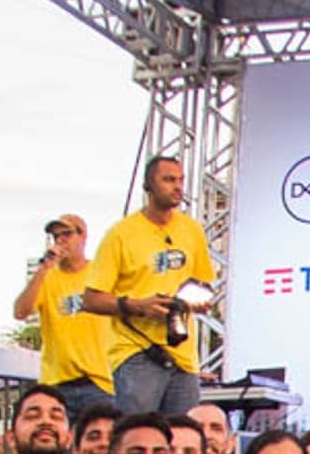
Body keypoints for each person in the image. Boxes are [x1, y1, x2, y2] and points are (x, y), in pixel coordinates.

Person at [92, 157, 217, 423]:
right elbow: (91, 299)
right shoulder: (121, 234)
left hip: (182, 355)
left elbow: (205, 283)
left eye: (181, 180)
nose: (177, 187)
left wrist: (192, 301)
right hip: (137, 352)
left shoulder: (191, 229)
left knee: (183, 440)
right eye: (169, 179)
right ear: (148, 185)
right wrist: (139, 306)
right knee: (139, 435)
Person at [16, 214, 122, 429]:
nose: (61, 241)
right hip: (57, 382)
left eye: (67, 234)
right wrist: (44, 269)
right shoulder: (48, 277)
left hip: (98, 381)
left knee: (101, 448)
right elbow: (21, 311)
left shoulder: (100, 273)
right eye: (56, 236)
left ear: (83, 236)